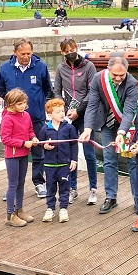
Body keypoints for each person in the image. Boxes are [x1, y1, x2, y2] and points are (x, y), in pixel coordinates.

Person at [80, 55, 138, 214]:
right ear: (108, 70)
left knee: (132, 161)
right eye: (115, 75)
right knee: (109, 160)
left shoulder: (132, 83)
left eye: (122, 75)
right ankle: (111, 197)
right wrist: (87, 128)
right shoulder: (98, 79)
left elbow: (128, 112)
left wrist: (122, 132)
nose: (119, 78)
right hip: (107, 123)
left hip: (129, 125)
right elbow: (92, 105)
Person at [0, 39, 52, 198]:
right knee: (13, 154)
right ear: (15, 53)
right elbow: (1, 89)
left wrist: (42, 104)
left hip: (36, 118)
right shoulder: (4, 69)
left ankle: (39, 183)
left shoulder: (41, 67)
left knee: (38, 152)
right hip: (12, 119)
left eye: (29, 53)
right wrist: (13, 104)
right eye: (23, 54)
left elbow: (48, 89)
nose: (26, 57)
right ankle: (12, 188)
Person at [53, 38, 98, 204]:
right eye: (66, 51)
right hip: (68, 115)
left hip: (86, 114)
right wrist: (63, 108)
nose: (69, 53)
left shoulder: (89, 66)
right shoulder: (60, 68)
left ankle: (93, 189)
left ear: (77, 48)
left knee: (89, 153)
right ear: (62, 52)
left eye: (72, 49)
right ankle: (72, 188)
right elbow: (57, 91)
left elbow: (92, 91)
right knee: (70, 153)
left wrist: (79, 110)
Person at [0, 88, 38, 227]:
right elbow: (5, 139)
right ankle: (10, 215)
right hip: (12, 156)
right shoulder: (7, 119)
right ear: (10, 104)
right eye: (20, 104)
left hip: (24, 154)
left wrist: (33, 138)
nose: (23, 106)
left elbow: (30, 130)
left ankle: (19, 210)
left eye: (24, 103)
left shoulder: (26, 115)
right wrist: (23, 143)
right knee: (13, 184)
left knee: (21, 183)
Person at [39, 98, 78, 223]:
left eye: (62, 110)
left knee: (64, 187)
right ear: (50, 115)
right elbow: (41, 143)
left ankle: (63, 208)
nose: (62, 113)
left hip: (64, 164)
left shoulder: (69, 128)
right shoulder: (45, 129)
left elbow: (73, 145)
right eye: (58, 112)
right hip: (49, 165)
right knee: (50, 187)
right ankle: (50, 208)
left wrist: (73, 160)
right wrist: (44, 146)